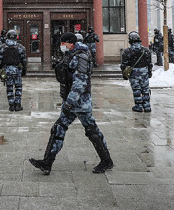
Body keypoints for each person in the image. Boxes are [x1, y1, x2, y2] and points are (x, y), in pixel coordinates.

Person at [29, 32, 113, 175]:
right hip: (70, 101)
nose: (62, 46)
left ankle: (106, 161)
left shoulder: (81, 57)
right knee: (58, 129)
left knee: (91, 131)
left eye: (63, 43)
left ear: (71, 43)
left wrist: (69, 103)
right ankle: (47, 162)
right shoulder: (72, 55)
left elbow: (80, 83)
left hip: (80, 103)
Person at [120, 31, 153, 112]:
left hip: (133, 73)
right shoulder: (146, 50)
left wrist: (124, 74)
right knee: (145, 89)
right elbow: (150, 63)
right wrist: (149, 72)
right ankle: (147, 106)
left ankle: (138, 106)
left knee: (136, 90)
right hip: (144, 72)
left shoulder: (127, 51)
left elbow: (124, 64)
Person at [0, 29, 27, 111]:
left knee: (9, 87)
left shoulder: (2, 47)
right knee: (18, 87)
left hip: (7, 70)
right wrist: (24, 70)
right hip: (17, 70)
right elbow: (24, 60)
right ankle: (17, 104)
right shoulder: (20, 47)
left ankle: (11, 105)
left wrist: (0, 69)